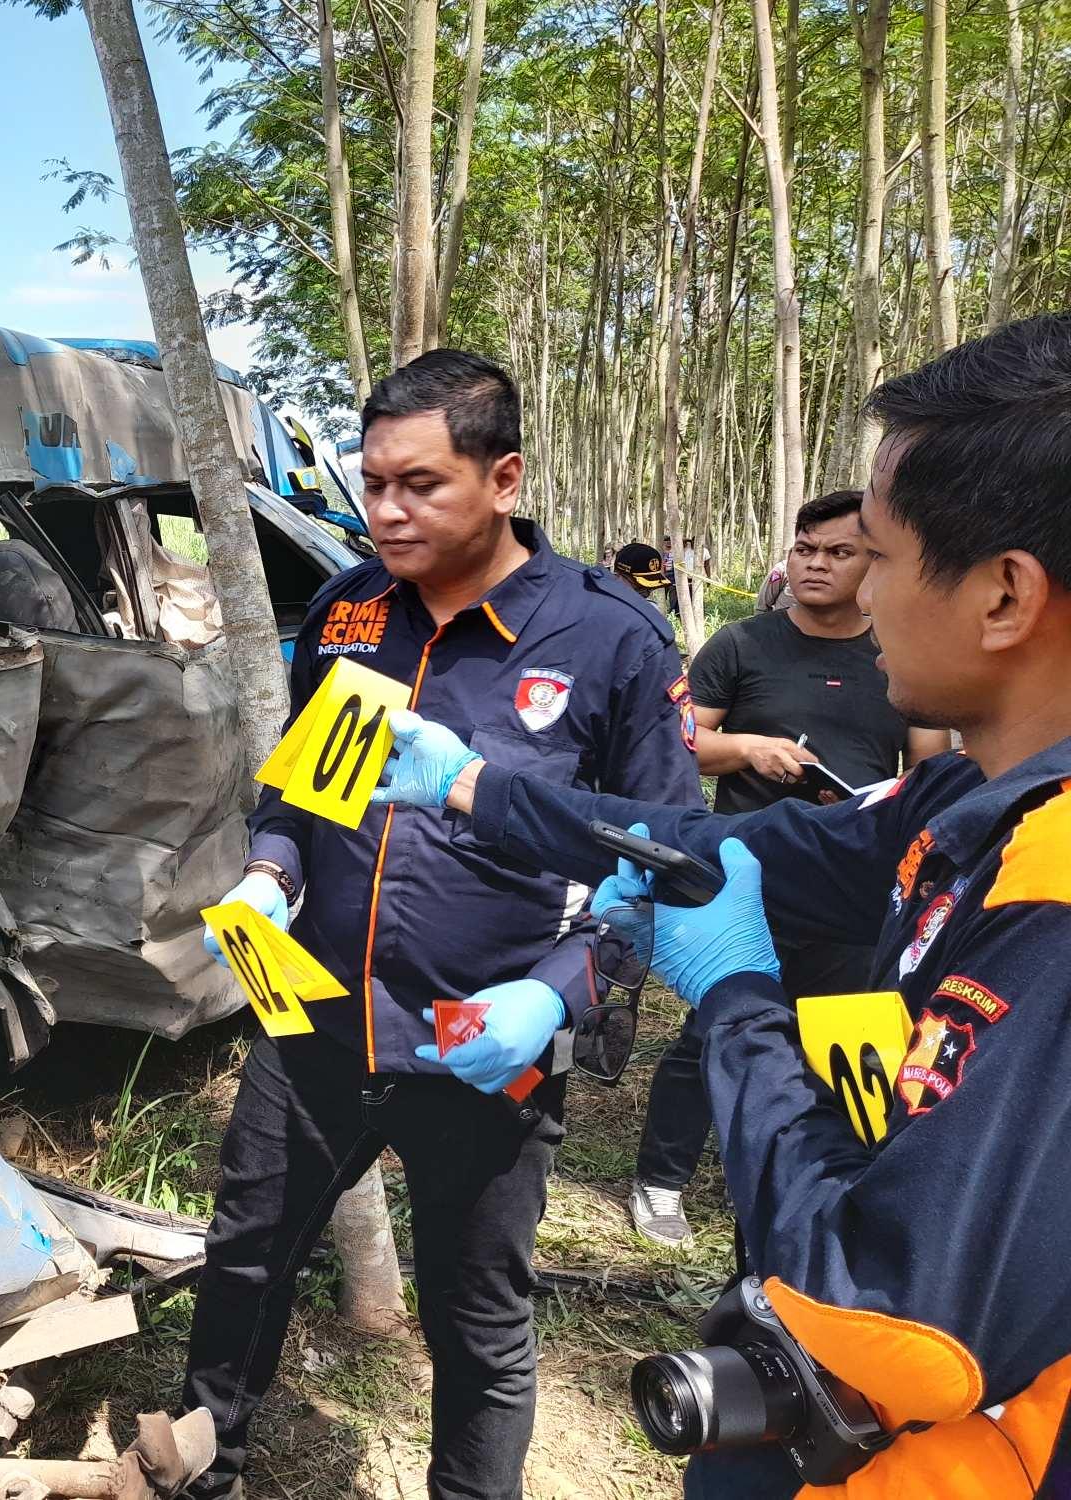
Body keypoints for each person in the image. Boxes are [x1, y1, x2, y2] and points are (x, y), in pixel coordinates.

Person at [374, 313, 1071, 1496]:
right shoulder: (966, 802)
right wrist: (481, 791)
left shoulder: (1052, 902)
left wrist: (739, 999)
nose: (854, 589)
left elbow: (886, 1309)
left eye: (880, 559)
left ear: (1001, 596)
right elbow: (703, 842)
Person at [185, 350, 702, 1500]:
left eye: (419, 484)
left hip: (483, 1040)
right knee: (243, 1260)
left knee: (475, 1318)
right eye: (373, 483)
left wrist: (560, 994)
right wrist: (270, 872)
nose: (384, 511)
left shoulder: (607, 639)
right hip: (316, 1015)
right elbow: (299, 790)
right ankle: (197, 1468)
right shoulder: (347, 606)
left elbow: (662, 862)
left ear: (503, 476)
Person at [627, 491, 950, 1247]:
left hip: (853, 887)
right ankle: (661, 1180)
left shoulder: (900, 652)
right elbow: (678, 742)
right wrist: (747, 749)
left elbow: (931, 774)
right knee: (713, 1023)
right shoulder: (744, 644)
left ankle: (810, 1187)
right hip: (746, 875)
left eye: (838, 552)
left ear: (874, 564)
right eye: (805, 549)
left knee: (837, 1034)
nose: (814, 564)